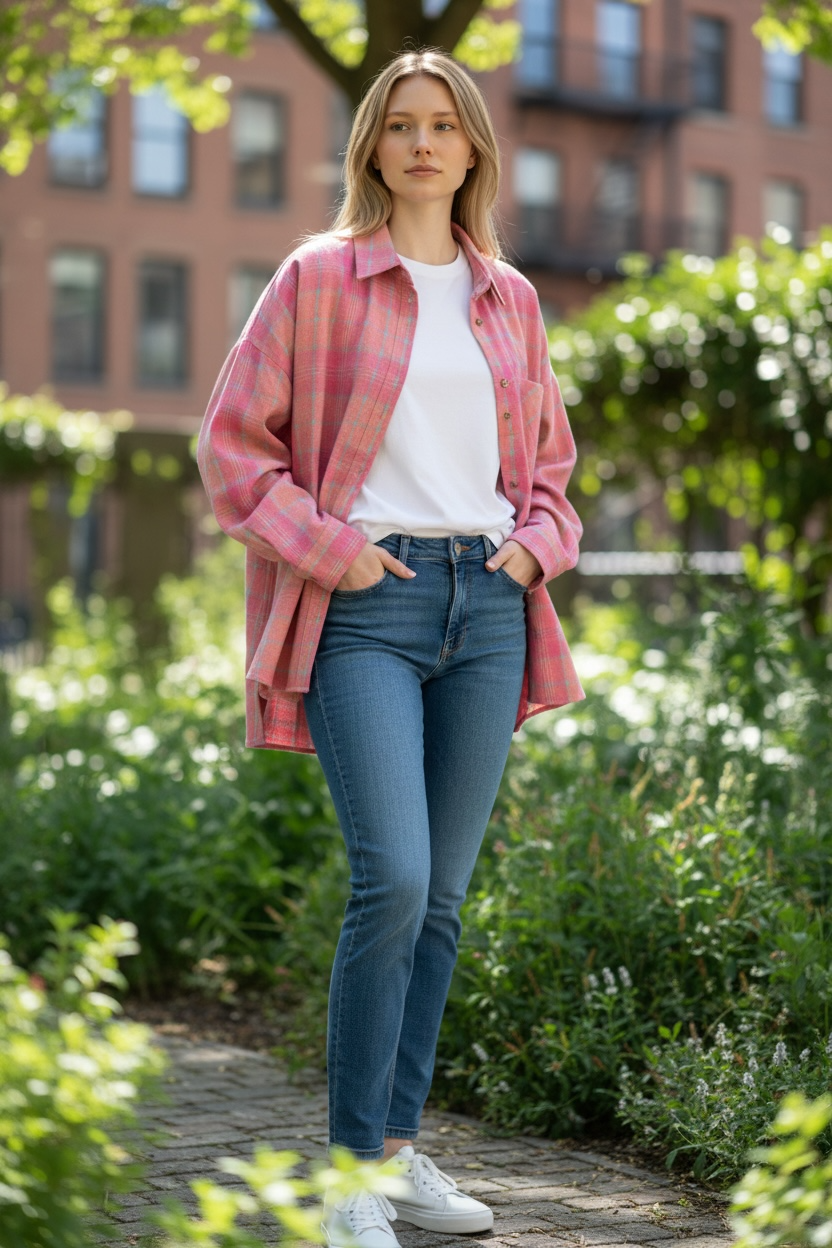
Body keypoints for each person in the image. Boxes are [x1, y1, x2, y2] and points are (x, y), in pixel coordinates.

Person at [197, 46, 584, 1248]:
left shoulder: (507, 297)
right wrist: (332, 551)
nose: (422, 143)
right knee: (396, 880)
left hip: (488, 606)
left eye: (444, 125)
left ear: (472, 148)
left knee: (447, 900)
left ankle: (402, 1153)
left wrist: (532, 550)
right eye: (399, 124)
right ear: (371, 146)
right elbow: (231, 448)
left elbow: (555, 476)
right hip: (369, 602)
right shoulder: (318, 278)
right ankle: (345, 1173)